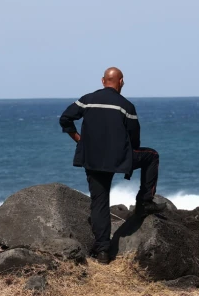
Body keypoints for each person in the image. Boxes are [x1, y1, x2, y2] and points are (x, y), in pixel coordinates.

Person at [59, 67, 165, 264]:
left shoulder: (87, 99)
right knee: (152, 156)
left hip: (92, 159)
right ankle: (144, 202)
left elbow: (65, 118)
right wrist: (127, 160)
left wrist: (79, 140)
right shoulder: (126, 106)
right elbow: (134, 138)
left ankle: (102, 252)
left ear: (102, 81)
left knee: (99, 203)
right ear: (121, 81)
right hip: (119, 158)